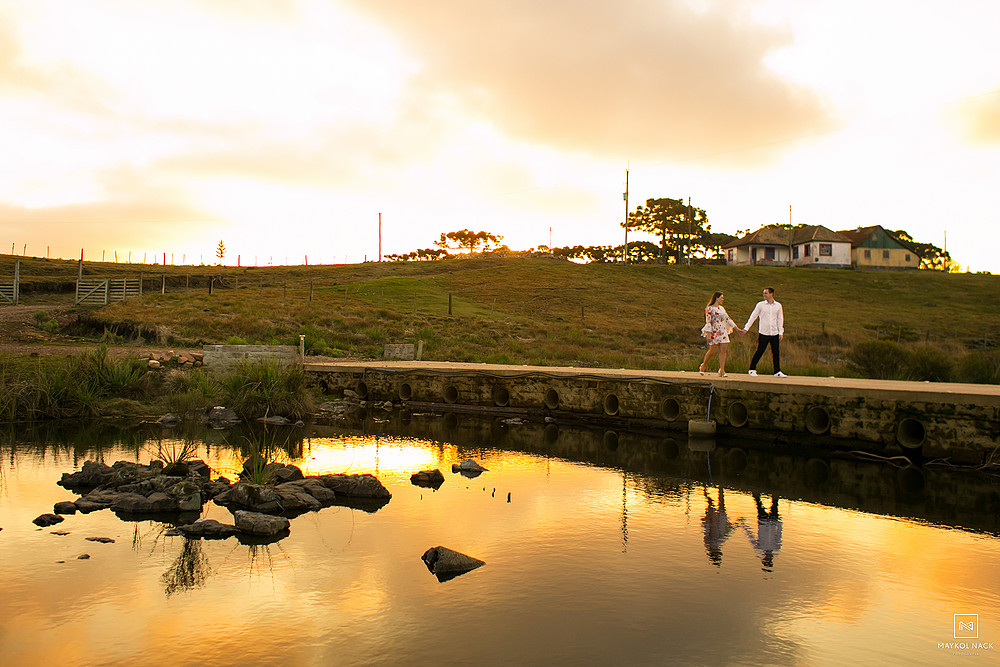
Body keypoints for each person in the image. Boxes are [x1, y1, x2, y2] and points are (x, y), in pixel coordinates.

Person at [742, 287, 786, 378]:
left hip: (774, 332)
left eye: (766, 293)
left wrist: (780, 332)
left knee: (776, 352)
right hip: (763, 333)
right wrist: (746, 328)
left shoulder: (778, 305)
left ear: (771, 294)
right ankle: (752, 369)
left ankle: (777, 371)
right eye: (764, 293)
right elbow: (753, 316)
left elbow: (780, 319)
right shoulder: (760, 305)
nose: (764, 295)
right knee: (760, 351)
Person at [700, 291, 744, 377]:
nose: (722, 300)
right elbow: (708, 321)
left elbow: (728, 319)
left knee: (723, 351)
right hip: (714, 331)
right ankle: (704, 364)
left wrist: (737, 328)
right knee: (713, 350)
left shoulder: (722, 308)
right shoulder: (709, 308)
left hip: (723, 331)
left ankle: (722, 370)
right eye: (721, 298)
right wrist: (708, 333)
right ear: (716, 298)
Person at [741, 493, 783, 572]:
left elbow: (751, 537)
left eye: (766, 559)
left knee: (758, 503)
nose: (768, 557)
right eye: (769, 559)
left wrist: (744, 526)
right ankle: (774, 491)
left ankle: (756, 493)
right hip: (772, 522)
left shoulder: (759, 548)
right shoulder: (776, 548)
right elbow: (779, 535)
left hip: (763, 522)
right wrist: (780, 523)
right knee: (775, 503)